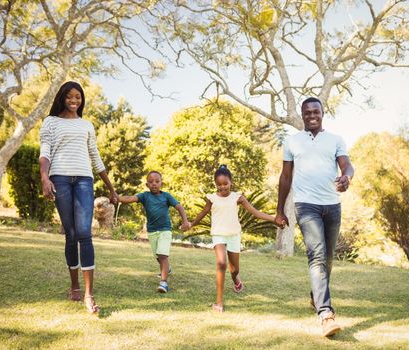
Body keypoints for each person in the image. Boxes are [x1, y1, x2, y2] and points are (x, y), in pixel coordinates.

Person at [275, 97, 354, 337]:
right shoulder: (292, 141)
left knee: (327, 259)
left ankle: (315, 295)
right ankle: (326, 314)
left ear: (322, 113)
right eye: (307, 112)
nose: (311, 115)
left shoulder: (336, 140)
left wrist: (347, 178)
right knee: (317, 255)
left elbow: (347, 166)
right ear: (302, 114)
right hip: (306, 206)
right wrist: (280, 210)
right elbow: (285, 177)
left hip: (332, 206)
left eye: (315, 112)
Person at [39, 81, 118, 314]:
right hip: (60, 179)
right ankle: (74, 287)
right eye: (70, 97)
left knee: (84, 233)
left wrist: (111, 188)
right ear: (62, 98)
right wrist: (45, 178)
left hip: (84, 180)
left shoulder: (87, 125)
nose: (74, 101)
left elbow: (95, 156)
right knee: (71, 234)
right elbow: (45, 152)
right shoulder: (51, 122)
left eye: (78, 97)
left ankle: (88, 294)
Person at [187, 165, 280, 313]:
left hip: (234, 236)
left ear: (231, 182)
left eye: (225, 184)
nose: (222, 187)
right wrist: (191, 224)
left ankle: (236, 278)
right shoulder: (212, 198)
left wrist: (274, 219)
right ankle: (219, 302)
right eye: (219, 184)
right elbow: (202, 213)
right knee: (222, 263)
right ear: (215, 184)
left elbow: (255, 213)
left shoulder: (238, 198)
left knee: (235, 269)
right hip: (218, 234)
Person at [118, 171, 191, 293]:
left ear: (161, 183)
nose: (154, 184)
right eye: (151, 182)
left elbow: (179, 207)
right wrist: (117, 198)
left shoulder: (166, 196)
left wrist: (185, 221)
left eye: (157, 181)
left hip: (165, 230)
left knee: (163, 255)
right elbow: (130, 198)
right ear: (147, 185)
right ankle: (166, 269)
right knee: (158, 256)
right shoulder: (145, 196)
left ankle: (164, 283)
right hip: (152, 231)